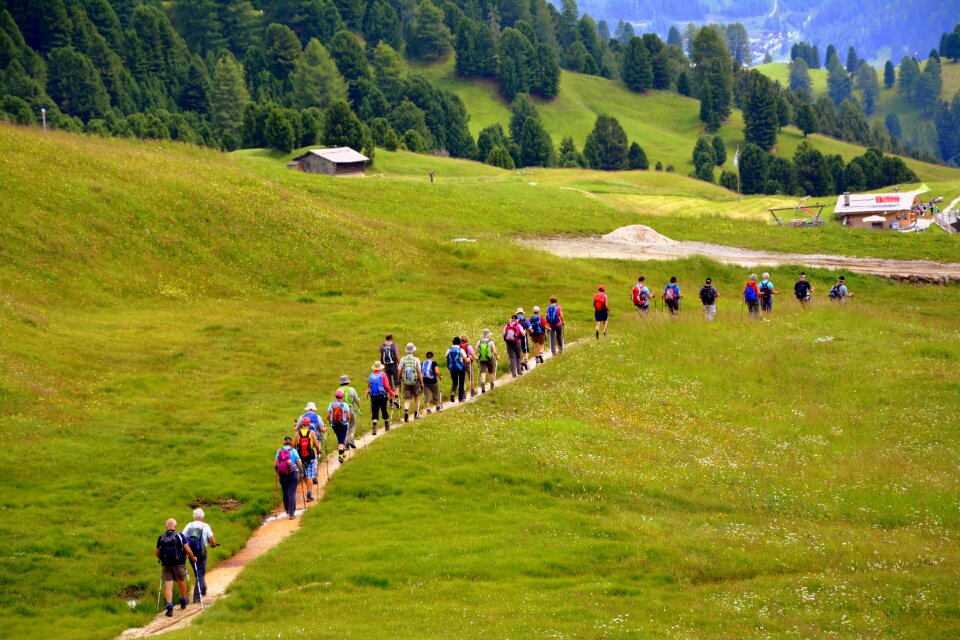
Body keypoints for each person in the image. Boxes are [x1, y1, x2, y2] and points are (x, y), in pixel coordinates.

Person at [156, 518, 199, 617]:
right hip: (179, 564)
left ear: (166, 526)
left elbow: (157, 553)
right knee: (181, 581)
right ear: (175, 526)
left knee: (168, 585)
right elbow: (188, 550)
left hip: (166, 565)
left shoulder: (161, 537)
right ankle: (183, 600)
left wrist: (164, 557)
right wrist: (193, 558)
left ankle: (170, 607)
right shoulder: (179, 535)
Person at [182, 509, 218, 604]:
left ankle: (203, 589)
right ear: (202, 517)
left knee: (198, 572)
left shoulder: (189, 525)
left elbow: (182, 538)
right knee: (200, 574)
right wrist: (213, 545)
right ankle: (197, 597)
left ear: (194, 516)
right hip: (201, 553)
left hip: (190, 553)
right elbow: (213, 541)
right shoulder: (205, 526)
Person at [274, 436, 304, 519]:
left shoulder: (279, 451)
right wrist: (302, 470)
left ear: (284, 442)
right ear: (291, 443)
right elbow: (299, 463)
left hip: (282, 474)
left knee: (285, 491)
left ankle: (287, 509)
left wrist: (277, 472)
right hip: (293, 473)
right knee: (292, 493)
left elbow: (275, 464)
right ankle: (291, 514)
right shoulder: (294, 451)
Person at [294, 416, 321, 501]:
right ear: (309, 424)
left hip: (301, 457)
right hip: (310, 456)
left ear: (302, 424)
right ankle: (309, 494)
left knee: (304, 475)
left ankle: (308, 490)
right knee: (310, 476)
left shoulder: (297, 433)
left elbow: (294, 445)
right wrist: (318, 451)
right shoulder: (312, 432)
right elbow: (316, 444)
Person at [367, 361, 395, 435]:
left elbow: (369, 386)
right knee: (383, 409)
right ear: (380, 368)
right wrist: (390, 392)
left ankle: (374, 428)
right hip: (382, 395)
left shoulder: (371, 375)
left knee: (375, 410)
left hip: (373, 396)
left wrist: (369, 392)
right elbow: (386, 385)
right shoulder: (383, 374)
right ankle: (386, 425)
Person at [399, 343, 423, 422]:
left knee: (407, 399)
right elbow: (419, 372)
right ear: (413, 350)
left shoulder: (403, 359)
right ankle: (416, 414)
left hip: (406, 382)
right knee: (416, 397)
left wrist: (400, 378)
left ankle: (406, 411)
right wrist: (422, 383)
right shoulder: (416, 359)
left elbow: (400, 371)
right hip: (415, 382)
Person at [336, 375, 362, 449]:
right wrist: (357, 404)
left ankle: (346, 443)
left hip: (341, 412)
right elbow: (357, 400)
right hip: (351, 410)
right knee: (352, 425)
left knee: (345, 426)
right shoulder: (351, 389)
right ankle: (351, 439)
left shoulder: (338, 390)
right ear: (347, 382)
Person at [327, 390, 352, 464]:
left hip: (334, 424)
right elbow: (348, 416)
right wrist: (347, 421)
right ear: (342, 396)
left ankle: (343, 452)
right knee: (341, 438)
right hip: (343, 424)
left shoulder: (331, 404)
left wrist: (330, 422)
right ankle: (340, 455)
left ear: (335, 396)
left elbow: (328, 415)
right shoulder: (345, 405)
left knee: (340, 437)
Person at [379, 334, 401, 406]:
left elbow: (381, 356)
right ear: (391, 338)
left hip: (386, 366)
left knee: (389, 384)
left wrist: (382, 365)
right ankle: (396, 398)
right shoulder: (394, 345)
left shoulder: (382, 345)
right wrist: (400, 365)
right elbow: (396, 355)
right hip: (394, 365)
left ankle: (391, 400)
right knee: (397, 383)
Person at [446, 337, 467, 402]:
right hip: (461, 368)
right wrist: (469, 358)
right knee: (461, 382)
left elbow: (446, 360)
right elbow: (466, 361)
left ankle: (453, 392)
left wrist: (450, 366)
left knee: (454, 382)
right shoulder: (461, 350)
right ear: (459, 343)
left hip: (452, 368)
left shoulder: (449, 350)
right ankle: (460, 398)